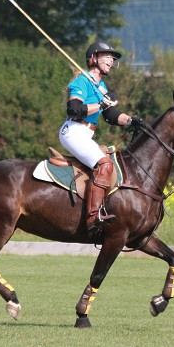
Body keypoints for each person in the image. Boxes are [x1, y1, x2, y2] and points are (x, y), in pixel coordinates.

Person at [59, 41, 142, 236]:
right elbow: (74, 109)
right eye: (107, 56)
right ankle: (93, 217)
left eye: (113, 59)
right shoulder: (81, 82)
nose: (111, 61)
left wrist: (132, 120)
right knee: (105, 164)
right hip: (73, 130)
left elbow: (111, 115)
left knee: (109, 163)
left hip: (86, 133)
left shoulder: (101, 86)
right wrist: (101, 104)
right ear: (94, 58)